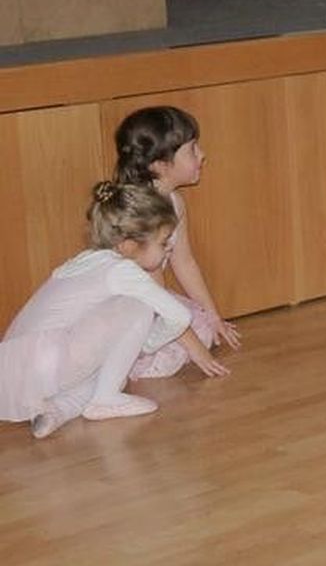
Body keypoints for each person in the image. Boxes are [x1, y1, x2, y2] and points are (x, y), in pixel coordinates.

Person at [0, 183, 196, 438]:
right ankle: (106, 398)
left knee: (111, 373)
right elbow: (180, 316)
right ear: (128, 246)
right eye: (163, 242)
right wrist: (146, 345)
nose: (168, 248)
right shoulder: (123, 271)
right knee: (140, 306)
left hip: (16, 370)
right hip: (50, 360)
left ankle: (57, 410)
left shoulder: (86, 260)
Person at [114, 106, 236, 377]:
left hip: (154, 297)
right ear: (160, 165)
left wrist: (214, 316)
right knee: (186, 340)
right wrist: (197, 350)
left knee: (202, 325)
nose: (202, 155)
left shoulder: (174, 202)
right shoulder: (144, 216)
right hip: (131, 303)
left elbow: (184, 262)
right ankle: (128, 357)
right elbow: (152, 293)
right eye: (192, 150)